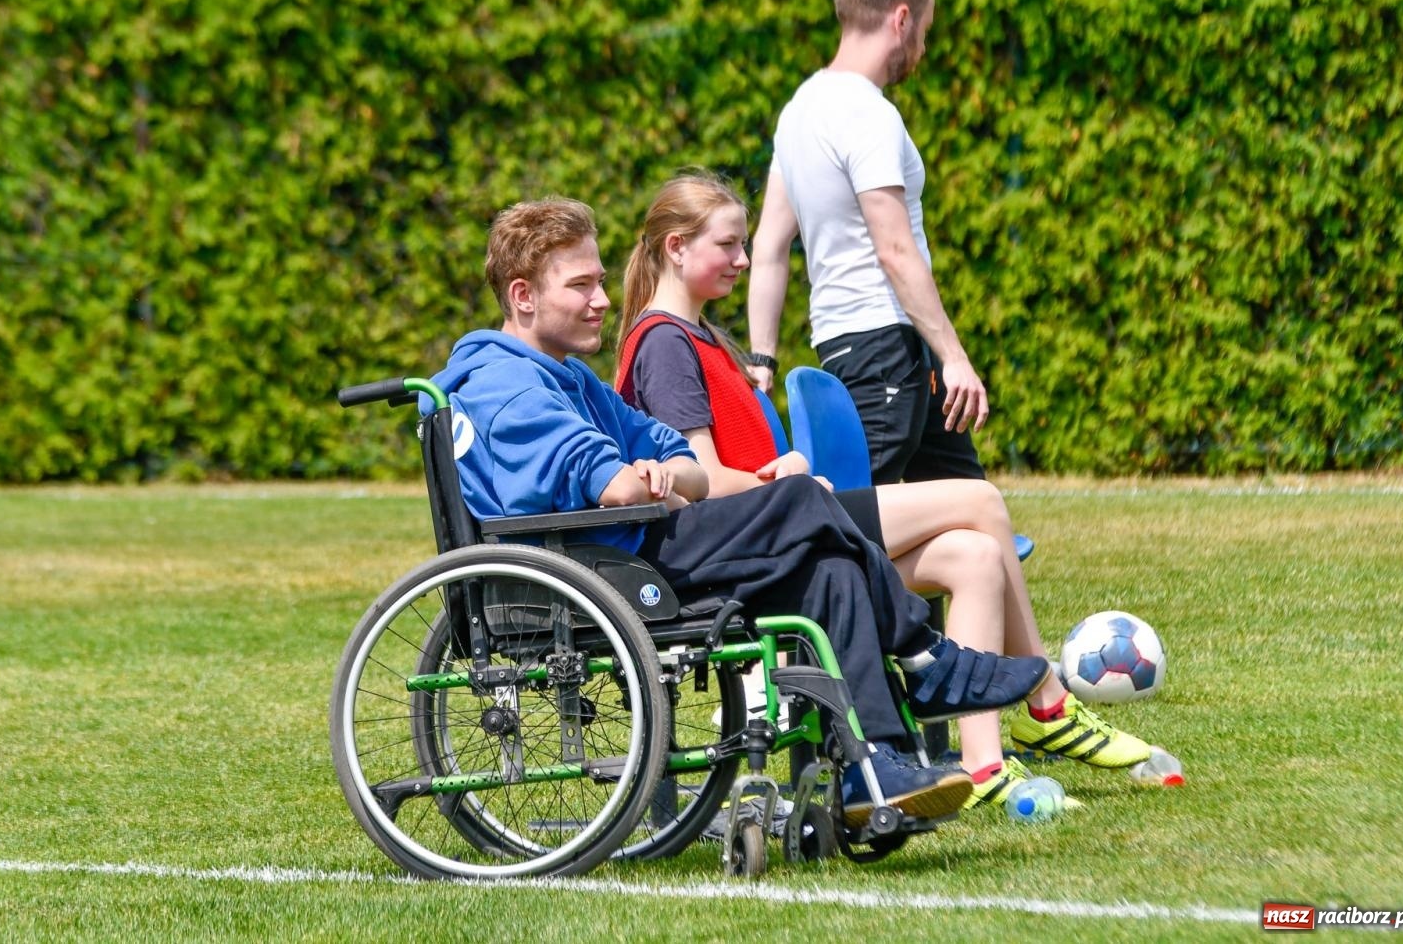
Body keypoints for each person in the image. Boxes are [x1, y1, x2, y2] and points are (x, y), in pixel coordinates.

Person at [429, 195, 1050, 827]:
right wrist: (650, 482)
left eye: (599, 281)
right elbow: (616, 487)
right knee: (803, 500)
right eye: (581, 285)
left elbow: (677, 459)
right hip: (602, 570)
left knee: (828, 567)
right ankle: (924, 657)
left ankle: (873, 766)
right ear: (523, 295)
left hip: (627, 551)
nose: (603, 300)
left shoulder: (567, 375)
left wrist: (668, 477)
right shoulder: (505, 386)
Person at [617, 173, 1154, 812]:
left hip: (779, 522)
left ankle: (983, 767)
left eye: (744, 245)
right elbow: (699, 478)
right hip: (762, 536)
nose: (743, 259)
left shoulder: (701, 335)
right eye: (728, 245)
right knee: (980, 502)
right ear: (676, 247)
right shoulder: (665, 344)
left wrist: (782, 467)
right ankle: (1048, 707)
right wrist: (788, 477)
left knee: (975, 556)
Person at [746, 0, 987, 486]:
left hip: (854, 345)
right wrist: (955, 357)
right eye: (924, 31)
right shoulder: (867, 112)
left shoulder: (799, 110)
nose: (922, 47)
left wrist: (762, 355)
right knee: (853, 523)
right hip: (886, 349)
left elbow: (768, 247)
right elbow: (894, 250)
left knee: (971, 503)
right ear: (901, 18)